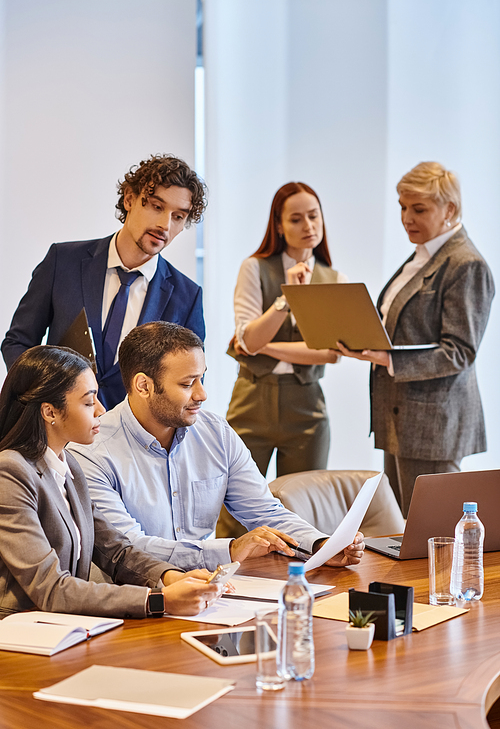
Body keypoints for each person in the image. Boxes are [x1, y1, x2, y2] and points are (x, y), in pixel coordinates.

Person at [69, 321, 365, 572]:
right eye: (187, 384)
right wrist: (231, 550)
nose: (202, 394)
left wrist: (321, 545)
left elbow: (265, 512)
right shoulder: (91, 453)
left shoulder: (216, 433)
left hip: (211, 591)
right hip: (132, 597)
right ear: (144, 386)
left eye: (202, 378)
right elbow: (130, 548)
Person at [0, 345, 223, 619]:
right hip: (18, 633)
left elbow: (114, 550)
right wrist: (158, 600)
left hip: (61, 628)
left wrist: (169, 577)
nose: (101, 410)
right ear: (50, 412)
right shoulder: (10, 471)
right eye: (88, 401)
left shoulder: (68, 465)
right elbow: (51, 589)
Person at [338, 162, 495, 516]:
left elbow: (459, 352)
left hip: (432, 425)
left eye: (418, 209)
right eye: (403, 208)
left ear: (450, 209)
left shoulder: (466, 264)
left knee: (434, 532)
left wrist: (386, 358)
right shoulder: (422, 256)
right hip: (399, 417)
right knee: (406, 533)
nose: (407, 217)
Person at [1, 154, 207, 411]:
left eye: (178, 216)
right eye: (156, 206)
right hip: (55, 429)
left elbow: (189, 379)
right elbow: (18, 342)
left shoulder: (187, 296)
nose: (165, 224)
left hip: (133, 441)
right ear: (130, 199)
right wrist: (44, 394)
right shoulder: (62, 261)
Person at [226, 182, 346, 479]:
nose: (308, 225)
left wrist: (262, 347)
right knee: (234, 504)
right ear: (278, 226)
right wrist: (287, 297)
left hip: (307, 405)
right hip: (252, 399)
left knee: (303, 505)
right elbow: (251, 338)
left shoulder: (335, 280)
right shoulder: (254, 267)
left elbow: (330, 354)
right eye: (296, 219)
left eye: (314, 215)